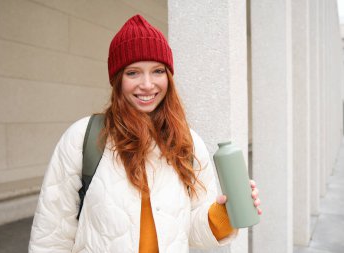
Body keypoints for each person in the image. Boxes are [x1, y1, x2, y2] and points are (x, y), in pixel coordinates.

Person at [28, 14, 261, 253]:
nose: (148, 84)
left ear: (168, 77)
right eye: (133, 73)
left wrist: (223, 214)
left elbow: (189, 232)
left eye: (158, 71)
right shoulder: (82, 138)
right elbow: (51, 237)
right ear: (117, 79)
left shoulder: (187, 143)